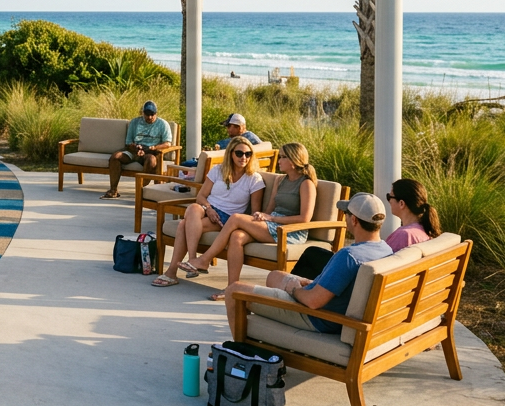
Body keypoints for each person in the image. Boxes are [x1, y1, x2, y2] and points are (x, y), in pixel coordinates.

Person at [225, 192, 392, 336]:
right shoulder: (386, 250)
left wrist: (294, 289)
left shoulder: (349, 256)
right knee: (275, 276)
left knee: (234, 291)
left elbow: (313, 302)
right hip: (329, 305)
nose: (346, 217)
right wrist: (314, 284)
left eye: (347, 213)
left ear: (354, 220)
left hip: (318, 317)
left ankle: (241, 350)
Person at [175, 142, 317, 299]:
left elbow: (305, 219)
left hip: (290, 231)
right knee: (237, 236)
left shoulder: (306, 184)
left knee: (236, 218)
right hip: (272, 224)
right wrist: (261, 217)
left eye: (282, 157)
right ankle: (232, 288)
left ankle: (204, 260)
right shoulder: (280, 180)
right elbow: (269, 209)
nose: (279, 161)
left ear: (293, 160)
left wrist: (271, 218)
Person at [151, 136, 264, 287]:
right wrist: (209, 209)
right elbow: (201, 196)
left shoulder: (254, 179)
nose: (244, 157)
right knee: (193, 208)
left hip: (228, 217)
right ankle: (193, 259)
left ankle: (172, 272)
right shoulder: (218, 170)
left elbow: (255, 211)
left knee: (183, 225)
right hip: (209, 208)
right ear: (231, 153)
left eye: (248, 154)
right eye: (239, 153)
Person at [100, 100, 173, 200]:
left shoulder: (162, 124)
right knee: (115, 157)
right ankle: (113, 190)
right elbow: (128, 141)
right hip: (134, 151)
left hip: (151, 152)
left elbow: (168, 143)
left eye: (152, 114)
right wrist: (134, 147)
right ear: (143, 113)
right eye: (147, 114)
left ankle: (141, 191)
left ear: (156, 113)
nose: (150, 117)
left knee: (151, 160)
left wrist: (154, 147)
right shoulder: (134, 122)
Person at [386, 178, 440, 252]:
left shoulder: (403, 235)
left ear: (401, 203)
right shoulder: (426, 230)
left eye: (389, 197)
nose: (389, 201)